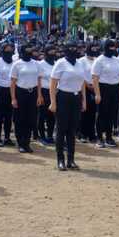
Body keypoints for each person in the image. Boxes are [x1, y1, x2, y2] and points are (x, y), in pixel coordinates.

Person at [50, 42, 86, 171]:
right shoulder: (60, 63)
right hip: (63, 97)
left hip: (76, 98)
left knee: (72, 130)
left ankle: (71, 159)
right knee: (61, 129)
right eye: (70, 48)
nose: (73, 50)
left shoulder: (80, 63)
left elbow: (82, 83)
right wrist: (53, 102)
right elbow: (53, 83)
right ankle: (60, 160)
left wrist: (84, 100)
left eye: (75, 48)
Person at [92, 39, 119, 148]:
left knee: (112, 114)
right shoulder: (99, 60)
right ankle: (100, 138)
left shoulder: (117, 60)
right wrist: (97, 94)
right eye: (110, 47)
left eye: (113, 47)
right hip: (103, 88)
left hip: (115, 88)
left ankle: (109, 137)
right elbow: (95, 78)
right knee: (102, 114)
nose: (112, 49)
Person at [10, 41, 41, 153]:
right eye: (27, 50)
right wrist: (13, 98)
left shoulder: (36, 64)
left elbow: (39, 80)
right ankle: (20, 143)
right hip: (20, 93)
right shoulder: (17, 64)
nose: (29, 52)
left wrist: (39, 96)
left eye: (30, 50)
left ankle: (27, 143)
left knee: (31, 119)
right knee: (20, 119)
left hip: (32, 93)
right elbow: (13, 82)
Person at [0, 42, 15, 147]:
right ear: (2, 51)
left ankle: (7, 137)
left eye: (11, 50)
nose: (9, 52)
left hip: (11, 91)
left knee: (8, 116)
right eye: (7, 50)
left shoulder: (14, 62)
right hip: (1, 91)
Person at [36, 46, 57, 145]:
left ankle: (49, 135)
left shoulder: (56, 64)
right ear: (46, 52)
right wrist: (39, 95)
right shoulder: (40, 64)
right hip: (43, 91)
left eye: (53, 51)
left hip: (54, 92)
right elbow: (38, 80)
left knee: (51, 115)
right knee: (42, 115)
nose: (52, 52)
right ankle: (41, 136)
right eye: (50, 51)